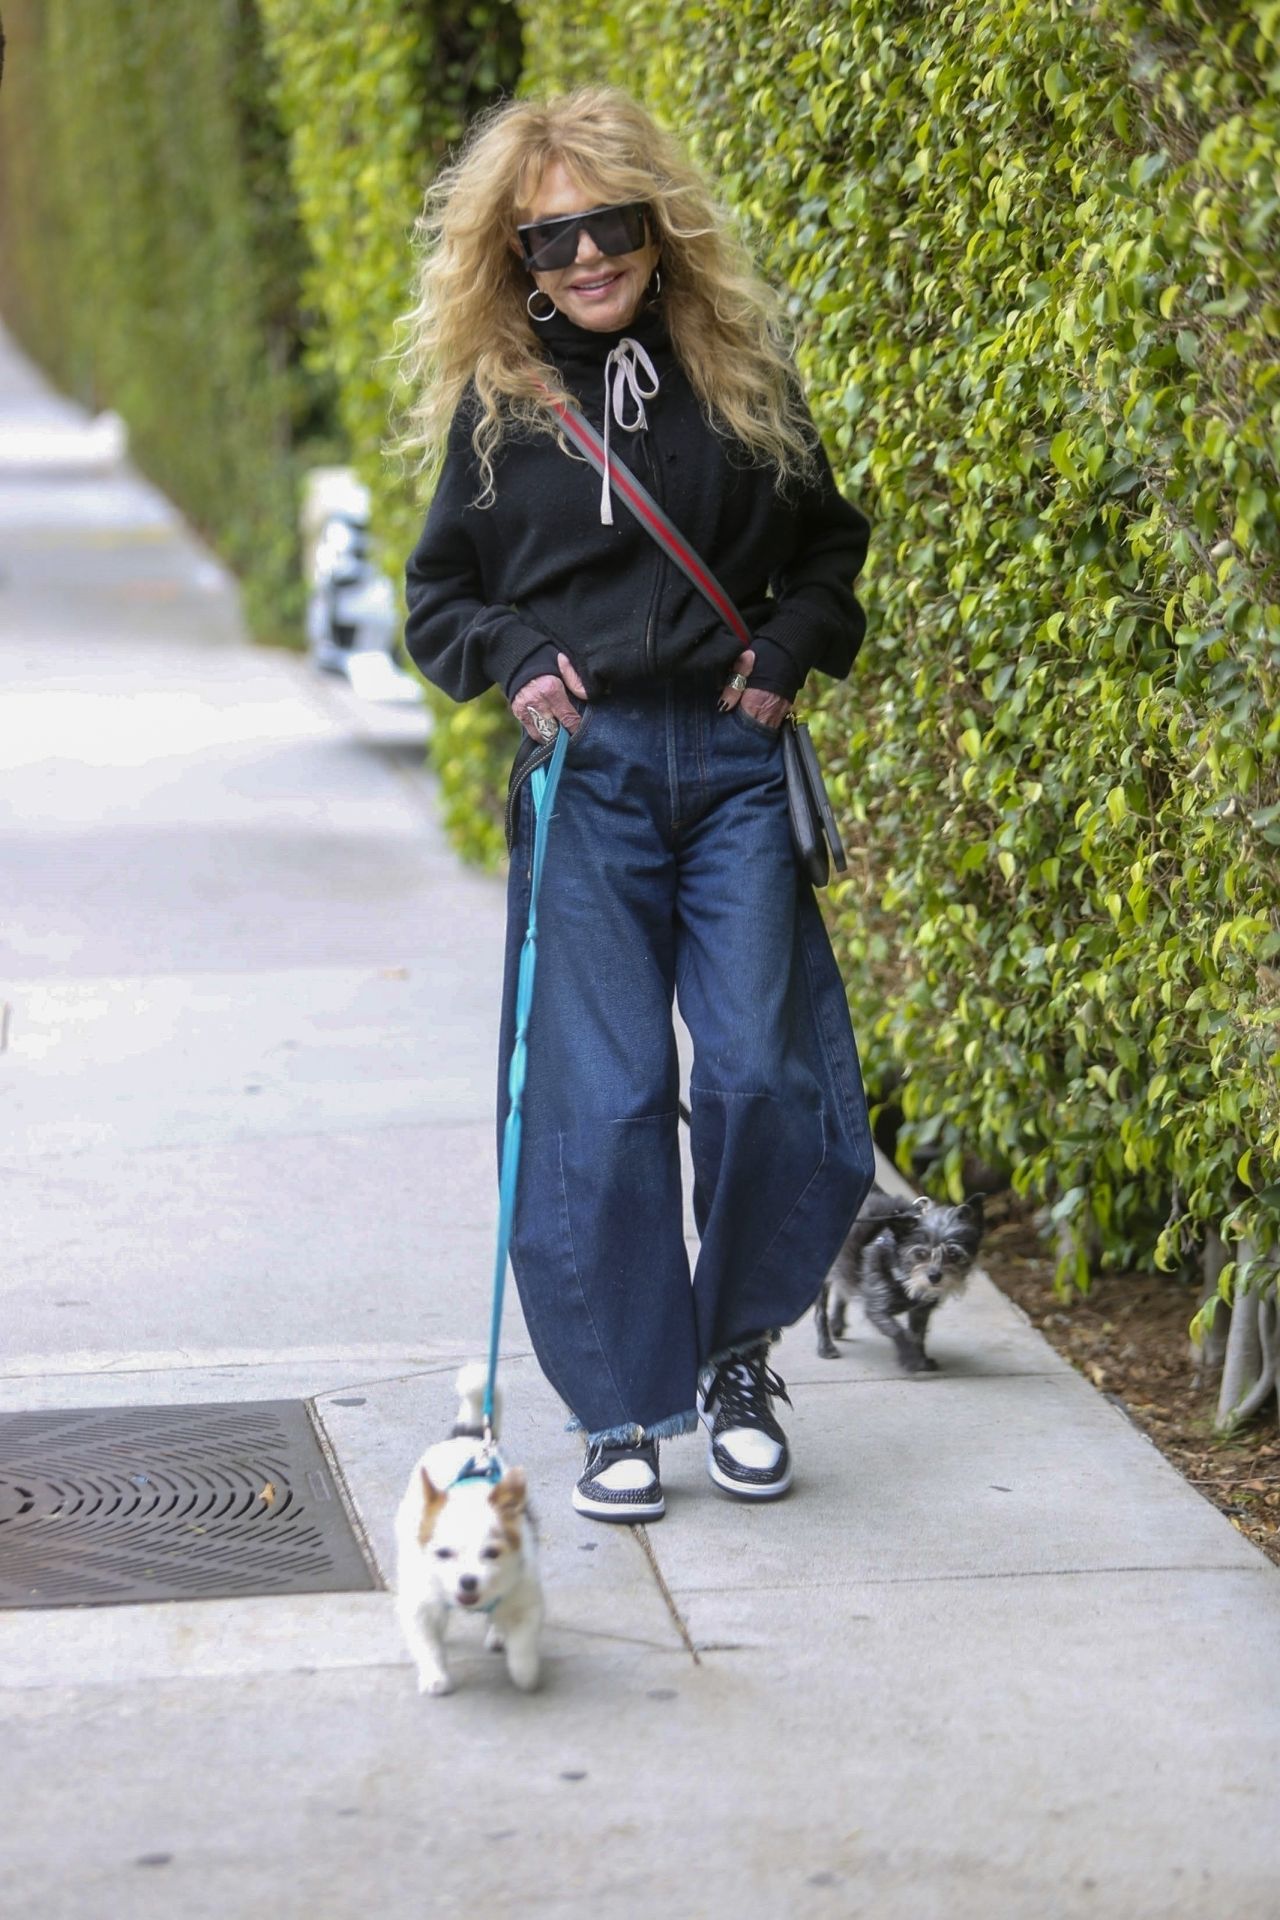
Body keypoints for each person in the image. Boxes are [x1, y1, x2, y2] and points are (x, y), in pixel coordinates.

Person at [400, 86, 875, 1523]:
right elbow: (442, 602)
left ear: (658, 232)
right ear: (515, 258)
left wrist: (787, 659)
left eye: (607, 226)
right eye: (549, 240)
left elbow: (832, 552)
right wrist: (518, 660)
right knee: (599, 1108)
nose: (584, 258)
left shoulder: (740, 374)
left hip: (731, 766)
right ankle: (620, 1407)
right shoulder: (500, 410)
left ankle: (734, 1358)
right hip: (589, 773)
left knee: (760, 1078)